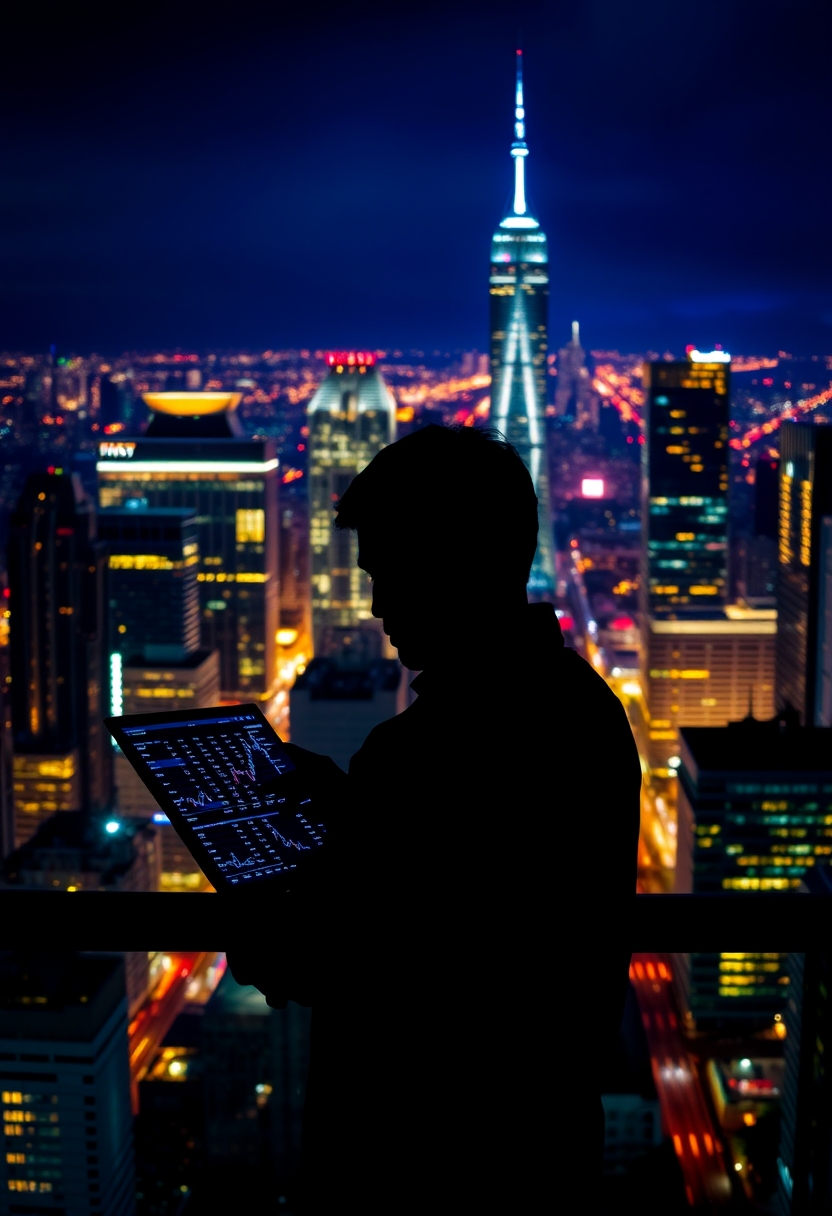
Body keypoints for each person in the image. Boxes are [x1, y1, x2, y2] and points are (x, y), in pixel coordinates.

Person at [228, 425, 641, 1212]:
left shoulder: (420, 755)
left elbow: (335, 962)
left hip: (411, 1169)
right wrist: (352, 807)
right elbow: (482, 895)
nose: (380, 605)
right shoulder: (586, 710)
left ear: (453, 565)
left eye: (392, 573)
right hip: (542, 1156)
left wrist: (260, 915)